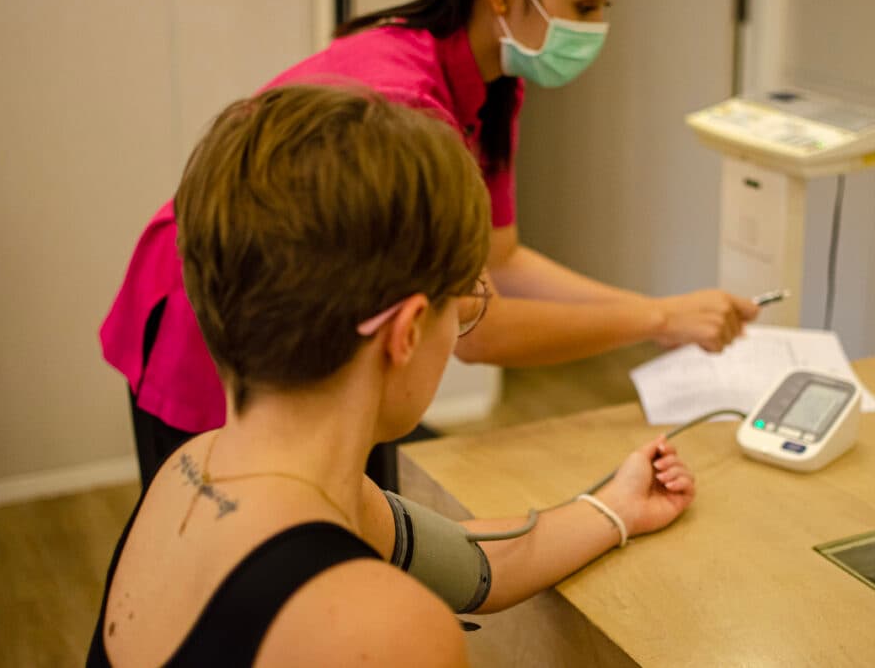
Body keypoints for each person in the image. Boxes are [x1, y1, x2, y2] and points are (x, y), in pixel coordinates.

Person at [88, 85, 697, 667]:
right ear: (405, 332)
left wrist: (616, 508)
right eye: (460, 310)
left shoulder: (191, 470)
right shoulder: (377, 628)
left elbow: (479, 564)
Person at [100, 0, 759, 489]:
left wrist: (661, 313)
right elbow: (477, 326)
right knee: (220, 544)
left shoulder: (493, 81)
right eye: (583, 7)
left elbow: (499, 259)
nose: (594, 31)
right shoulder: (408, 103)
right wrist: (658, 319)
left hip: (317, 321)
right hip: (215, 309)